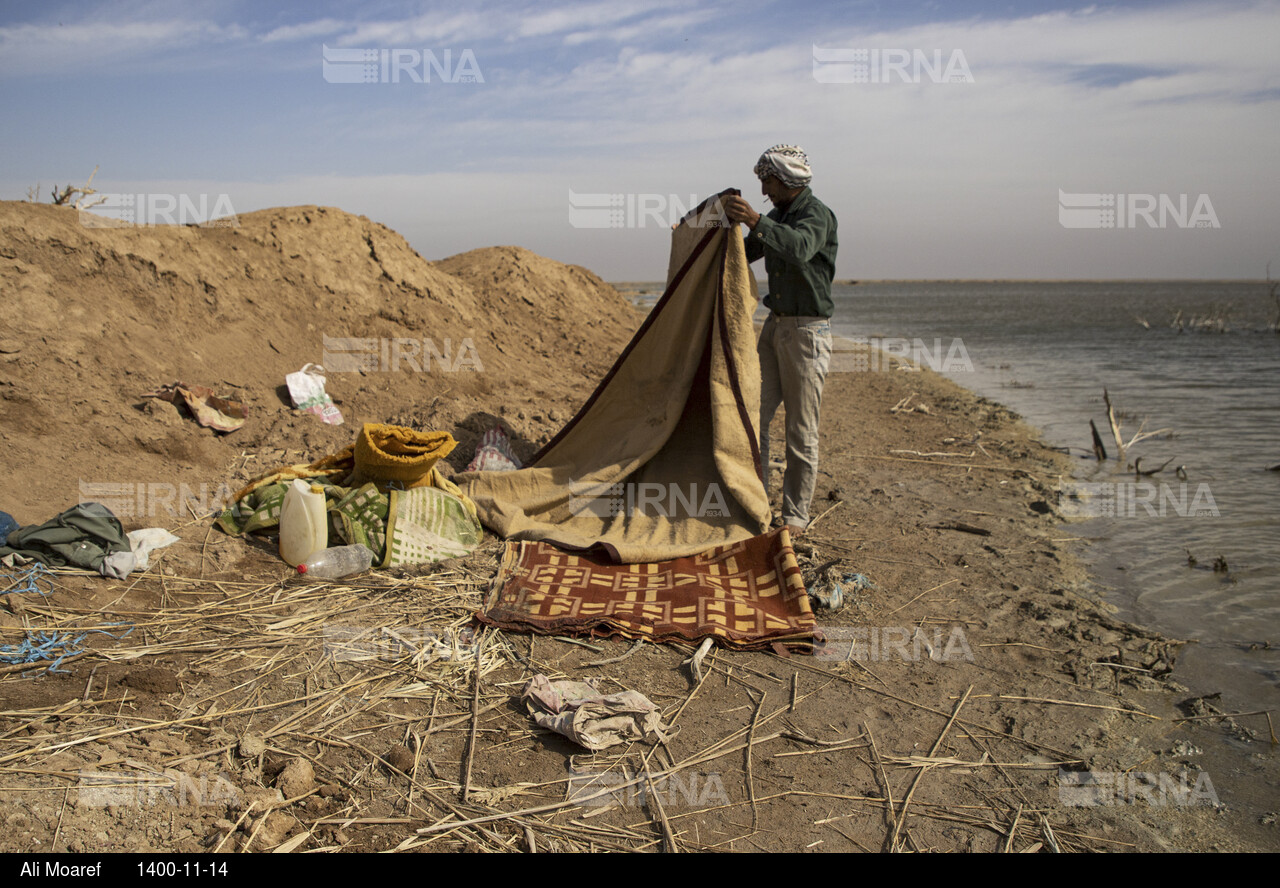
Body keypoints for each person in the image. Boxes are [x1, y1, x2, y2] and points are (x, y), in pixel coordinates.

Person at [723, 145, 838, 536]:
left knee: (801, 430)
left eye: (767, 182)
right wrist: (709, 232)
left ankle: (794, 519)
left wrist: (754, 219)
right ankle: (758, 505)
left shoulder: (815, 215)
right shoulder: (776, 215)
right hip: (775, 327)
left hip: (807, 332)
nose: (764, 191)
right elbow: (744, 251)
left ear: (786, 179)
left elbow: (799, 247)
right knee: (755, 417)